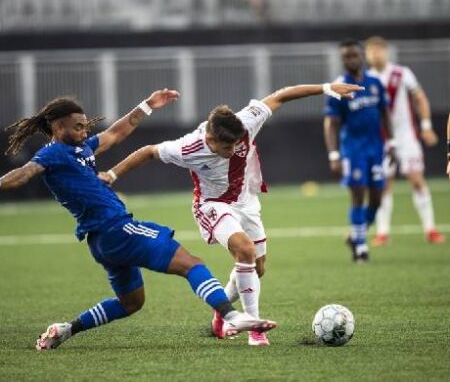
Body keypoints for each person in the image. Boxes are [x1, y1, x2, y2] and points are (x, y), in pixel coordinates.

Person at [0, 90, 277, 351]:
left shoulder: (80, 149)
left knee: (131, 303)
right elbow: (25, 173)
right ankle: (230, 315)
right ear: (57, 126)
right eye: (78, 127)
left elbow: (115, 133)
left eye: (85, 126)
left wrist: (148, 105)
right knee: (192, 264)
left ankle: (66, 330)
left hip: (101, 241)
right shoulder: (52, 153)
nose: (84, 132)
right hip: (115, 228)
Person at [99, 81, 362, 346]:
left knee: (257, 269)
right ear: (211, 140)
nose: (234, 150)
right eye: (228, 148)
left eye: (237, 145)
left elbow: (280, 97)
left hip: (247, 202)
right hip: (212, 205)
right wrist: (111, 174)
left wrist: (326, 88)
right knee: (244, 250)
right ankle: (255, 331)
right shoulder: (188, 147)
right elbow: (149, 152)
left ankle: (221, 311)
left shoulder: (246, 121)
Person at [365, 36, 445, 245]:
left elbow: (420, 97)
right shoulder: (364, 78)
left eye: (378, 49)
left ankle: (430, 229)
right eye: (371, 50)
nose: (375, 54)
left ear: (386, 52)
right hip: (380, 140)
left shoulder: (402, 73)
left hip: (406, 136)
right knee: (383, 185)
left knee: (417, 180)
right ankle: (383, 233)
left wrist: (426, 126)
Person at [324, 39, 395, 263]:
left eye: (354, 55)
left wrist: (391, 142)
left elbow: (385, 113)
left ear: (362, 56)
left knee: (376, 199)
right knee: (357, 196)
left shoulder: (375, 83)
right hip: (353, 150)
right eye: (346, 57)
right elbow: (331, 123)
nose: (351, 60)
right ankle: (361, 247)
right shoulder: (338, 87)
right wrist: (334, 154)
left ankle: (355, 234)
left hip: (376, 148)